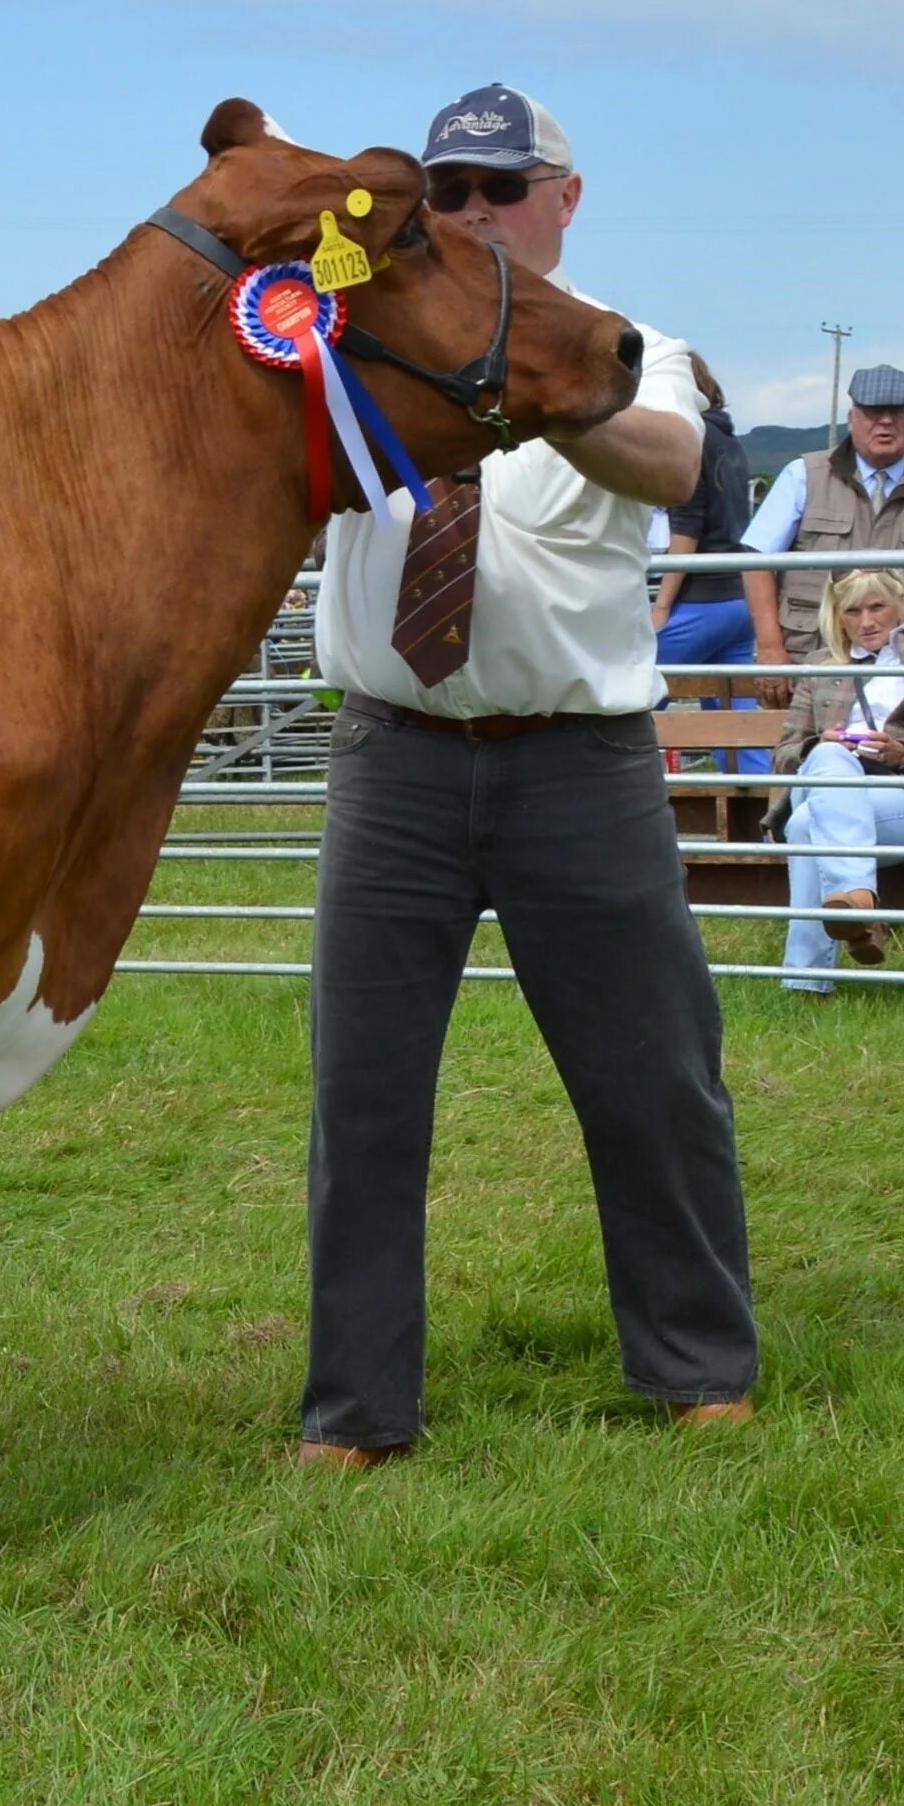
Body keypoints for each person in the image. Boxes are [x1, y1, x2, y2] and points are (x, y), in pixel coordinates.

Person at [304, 82, 757, 1465]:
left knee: (652, 1074)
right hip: (393, 761)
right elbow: (259, 345)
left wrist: (537, 391)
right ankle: (355, 1409)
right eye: (447, 191)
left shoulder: (634, 345)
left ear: (564, 201)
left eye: (503, 188)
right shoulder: (353, 332)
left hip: (579, 766)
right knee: (362, 1092)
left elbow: (669, 461)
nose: (475, 212)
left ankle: (695, 1366)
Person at [772, 569, 904, 989]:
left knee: (806, 827)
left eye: (877, 607)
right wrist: (816, 746)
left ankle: (808, 981)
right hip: (833, 782)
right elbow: (784, 754)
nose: (867, 621)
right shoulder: (821, 668)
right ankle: (857, 900)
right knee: (826, 754)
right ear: (837, 617)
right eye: (853, 611)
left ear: (900, 604)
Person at [741, 365, 904, 664]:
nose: (885, 421)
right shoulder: (803, 475)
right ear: (851, 419)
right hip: (809, 665)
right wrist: (769, 647)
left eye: (897, 412)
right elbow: (756, 562)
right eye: (873, 412)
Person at [650, 353, 774, 772]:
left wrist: (662, 606)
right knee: (736, 726)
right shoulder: (728, 440)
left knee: (628, 685)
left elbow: (686, 530)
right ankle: (763, 819)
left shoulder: (692, 440)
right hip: (739, 603)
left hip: (703, 599)